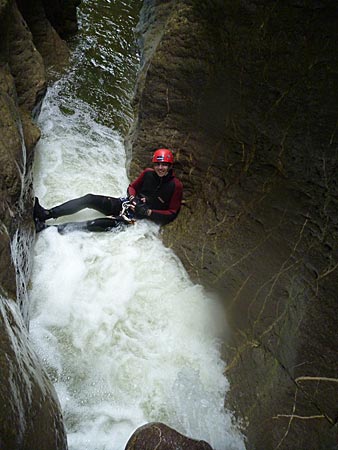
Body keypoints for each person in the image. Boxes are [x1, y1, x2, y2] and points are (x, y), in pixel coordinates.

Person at [33, 148, 183, 233]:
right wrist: (132, 199)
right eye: (158, 164)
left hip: (138, 221)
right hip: (128, 205)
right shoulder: (148, 173)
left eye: (164, 165)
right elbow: (132, 187)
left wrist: (149, 212)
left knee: (94, 223)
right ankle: (47, 214)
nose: (160, 168)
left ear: (170, 167)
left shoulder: (175, 185)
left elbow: (172, 212)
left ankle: (49, 230)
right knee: (90, 199)